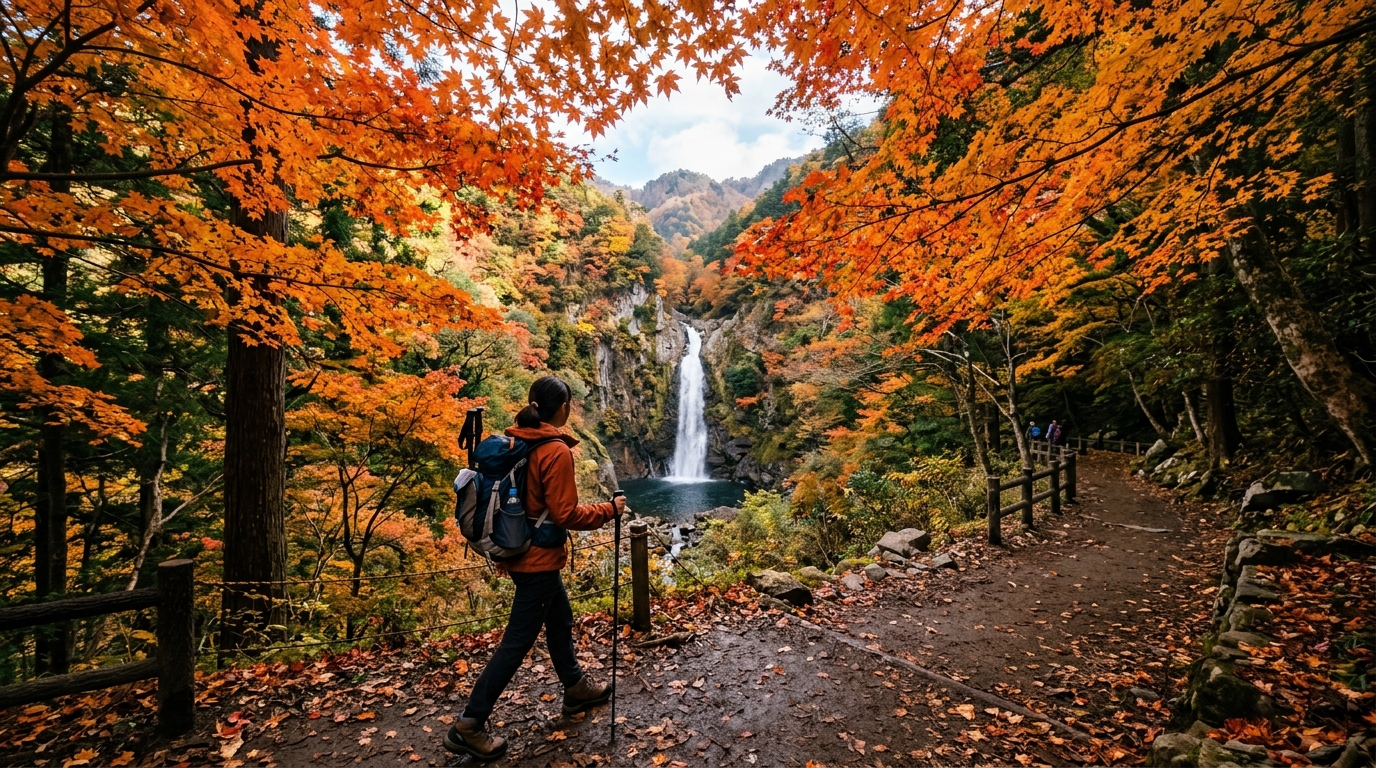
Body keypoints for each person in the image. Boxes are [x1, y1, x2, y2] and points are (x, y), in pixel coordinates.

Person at [444, 376, 627, 761]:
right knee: (516, 642)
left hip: (524, 551)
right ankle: (469, 724)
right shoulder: (555, 450)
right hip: (538, 560)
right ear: (562, 409)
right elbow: (566, 513)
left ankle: (575, 687)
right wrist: (610, 511)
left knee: (560, 618)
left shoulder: (519, 439)